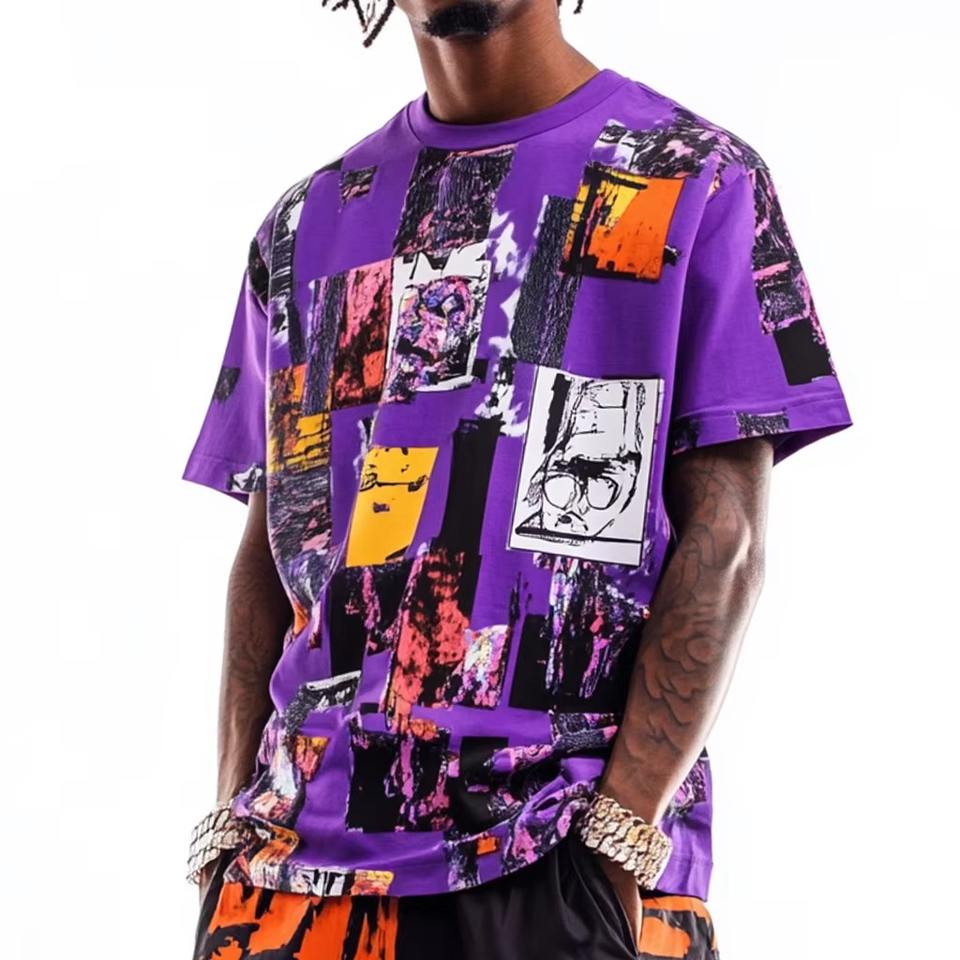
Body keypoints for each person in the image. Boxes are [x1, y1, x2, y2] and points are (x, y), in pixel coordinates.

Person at [181, 2, 854, 957]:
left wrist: (619, 839)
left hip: (558, 852)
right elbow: (268, 549)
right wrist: (226, 828)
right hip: (290, 883)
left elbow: (727, 541)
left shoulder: (696, 178)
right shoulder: (304, 224)